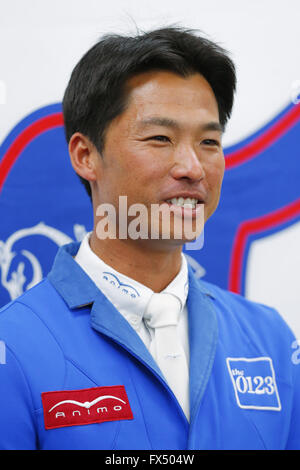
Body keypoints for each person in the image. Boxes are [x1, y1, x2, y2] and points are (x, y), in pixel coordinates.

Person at [0, 26, 299, 450]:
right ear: (86, 155)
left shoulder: (270, 340)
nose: (193, 167)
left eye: (209, 142)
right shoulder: (14, 347)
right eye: (161, 138)